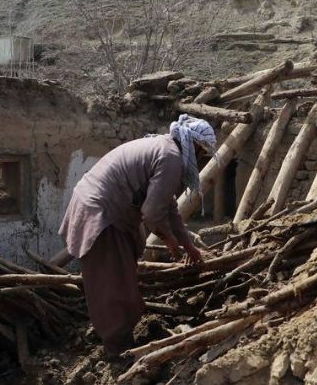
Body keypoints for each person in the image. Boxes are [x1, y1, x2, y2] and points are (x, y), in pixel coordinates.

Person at [59, 114, 216, 356]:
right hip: (101, 214)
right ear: (194, 144)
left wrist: (189, 246)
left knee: (120, 282)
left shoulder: (166, 150)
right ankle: (118, 354)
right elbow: (152, 214)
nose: (202, 157)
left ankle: (119, 342)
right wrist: (171, 242)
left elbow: (169, 207)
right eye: (202, 151)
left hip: (104, 211)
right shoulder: (170, 158)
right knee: (115, 288)